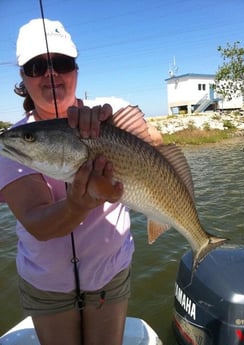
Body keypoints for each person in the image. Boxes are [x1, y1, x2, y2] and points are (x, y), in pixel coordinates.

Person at [0, 18, 134, 345]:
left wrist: (117, 131)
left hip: (109, 272)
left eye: (61, 63)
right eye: (36, 66)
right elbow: (38, 223)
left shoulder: (111, 112)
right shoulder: (15, 143)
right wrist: (78, 205)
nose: (51, 73)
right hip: (47, 283)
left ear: (75, 69)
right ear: (22, 77)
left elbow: (158, 146)